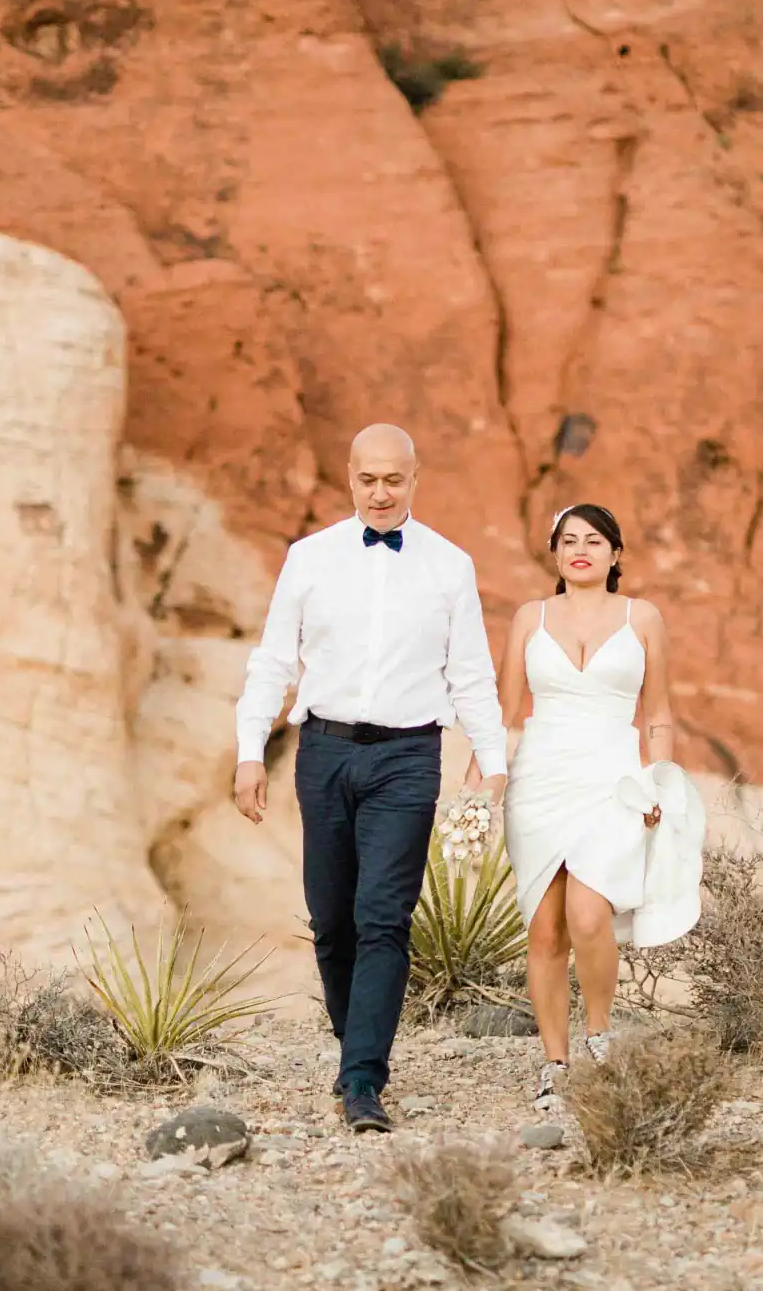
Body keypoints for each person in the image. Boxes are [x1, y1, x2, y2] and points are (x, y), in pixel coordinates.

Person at [232, 425, 508, 1133]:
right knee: (331, 922)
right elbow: (273, 660)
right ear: (349, 478)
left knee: (383, 917)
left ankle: (362, 1079)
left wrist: (493, 755)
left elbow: (471, 670)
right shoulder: (309, 557)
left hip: (409, 758)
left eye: (394, 479)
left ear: (416, 479)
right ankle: (355, 1037)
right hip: (322, 752)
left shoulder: (450, 565)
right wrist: (249, 750)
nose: (381, 493)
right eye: (368, 480)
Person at [498, 502, 699, 1111]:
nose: (579, 549)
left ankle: (600, 1040)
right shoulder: (529, 617)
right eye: (567, 540)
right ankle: (553, 1066)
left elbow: (657, 711)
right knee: (545, 927)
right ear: (555, 554)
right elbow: (506, 716)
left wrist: (660, 780)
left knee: (590, 915)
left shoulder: (643, 617)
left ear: (616, 554)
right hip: (538, 782)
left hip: (613, 781)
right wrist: (483, 785)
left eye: (593, 540)